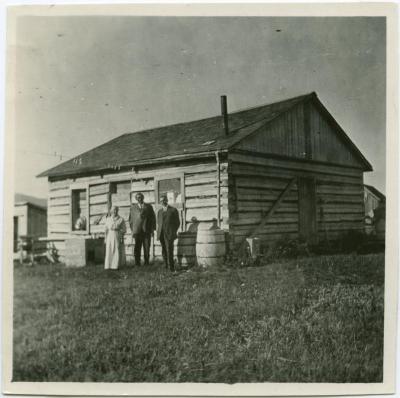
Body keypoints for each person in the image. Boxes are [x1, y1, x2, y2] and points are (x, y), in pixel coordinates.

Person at [128, 192, 156, 266]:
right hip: (137, 231)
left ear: (143, 198)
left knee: (147, 247)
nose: (139, 199)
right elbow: (131, 220)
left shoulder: (149, 207)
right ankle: (137, 263)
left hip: (147, 230)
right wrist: (133, 230)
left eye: (140, 197)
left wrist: (152, 229)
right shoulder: (133, 208)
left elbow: (153, 218)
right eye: (138, 198)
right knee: (137, 247)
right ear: (136, 199)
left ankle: (146, 262)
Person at [157, 195, 180, 272]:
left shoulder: (173, 210)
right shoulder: (159, 212)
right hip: (161, 234)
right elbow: (159, 223)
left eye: (164, 200)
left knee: (169, 249)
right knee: (164, 250)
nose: (162, 202)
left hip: (169, 233)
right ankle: (166, 265)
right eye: (161, 201)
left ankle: (171, 267)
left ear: (167, 200)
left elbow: (177, 223)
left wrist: (172, 231)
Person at [104, 206, 126, 270]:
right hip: (109, 236)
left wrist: (119, 230)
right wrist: (105, 238)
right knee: (109, 249)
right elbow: (105, 229)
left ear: (118, 211)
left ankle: (115, 265)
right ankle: (108, 265)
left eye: (116, 210)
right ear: (111, 211)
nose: (115, 211)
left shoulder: (121, 219)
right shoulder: (108, 219)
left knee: (116, 249)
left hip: (117, 235)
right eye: (113, 210)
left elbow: (124, 229)